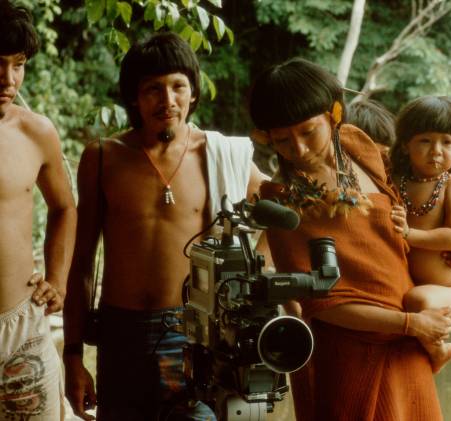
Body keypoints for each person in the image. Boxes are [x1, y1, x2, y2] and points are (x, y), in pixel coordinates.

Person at [250, 58, 451, 421]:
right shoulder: (280, 203)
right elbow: (321, 305)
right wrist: (411, 324)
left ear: (334, 115)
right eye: (282, 140)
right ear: (266, 137)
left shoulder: (361, 147)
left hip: (407, 350)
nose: (300, 148)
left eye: (309, 131)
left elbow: (418, 206)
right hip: (349, 359)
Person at [62, 32, 266, 421]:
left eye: (178, 86)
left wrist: (256, 268)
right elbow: (82, 262)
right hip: (119, 333)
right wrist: (73, 355)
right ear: (134, 98)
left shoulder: (218, 153)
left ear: (194, 92)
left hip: (193, 333)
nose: (167, 100)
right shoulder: (104, 157)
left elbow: (277, 210)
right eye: (153, 89)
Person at [0, 2, 77, 420]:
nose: (9, 79)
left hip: (21, 327)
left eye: (19, 65)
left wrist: (57, 281)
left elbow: (64, 206)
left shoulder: (36, 131)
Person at [389, 96, 451, 373]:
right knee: (410, 299)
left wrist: (409, 234)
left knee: (418, 300)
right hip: (408, 284)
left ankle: (439, 351)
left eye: (447, 142)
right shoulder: (394, 182)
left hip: (448, 291)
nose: (436, 151)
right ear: (405, 145)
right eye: (425, 141)